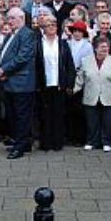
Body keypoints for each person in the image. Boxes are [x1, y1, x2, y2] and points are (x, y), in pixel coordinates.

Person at [0, 8, 38, 160]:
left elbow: (23, 57)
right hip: (9, 82)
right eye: (9, 18)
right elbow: (4, 55)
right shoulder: (10, 35)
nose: (10, 21)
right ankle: (21, 142)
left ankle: (20, 147)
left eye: (12, 18)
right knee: (13, 115)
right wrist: (1, 70)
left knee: (22, 116)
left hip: (22, 83)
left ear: (21, 18)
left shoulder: (27, 34)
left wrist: (4, 69)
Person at [75, 37, 111, 152]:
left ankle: (107, 142)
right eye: (102, 47)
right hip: (90, 95)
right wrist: (72, 89)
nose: (105, 49)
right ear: (95, 48)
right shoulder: (85, 60)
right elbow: (80, 79)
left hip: (109, 96)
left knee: (108, 122)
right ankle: (91, 141)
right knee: (91, 121)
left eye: (107, 47)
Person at [36, 17, 76, 151]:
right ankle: (46, 143)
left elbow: (69, 65)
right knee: (44, 114)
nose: (52, 27)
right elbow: (36, 65)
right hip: (44, 85)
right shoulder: (38, 43)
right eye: (48, 25)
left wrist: (69, 84)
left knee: (58, 114)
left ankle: (58, 143)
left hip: (59, 85)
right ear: (43, 28)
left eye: (54, 24)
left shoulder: (63, 44)